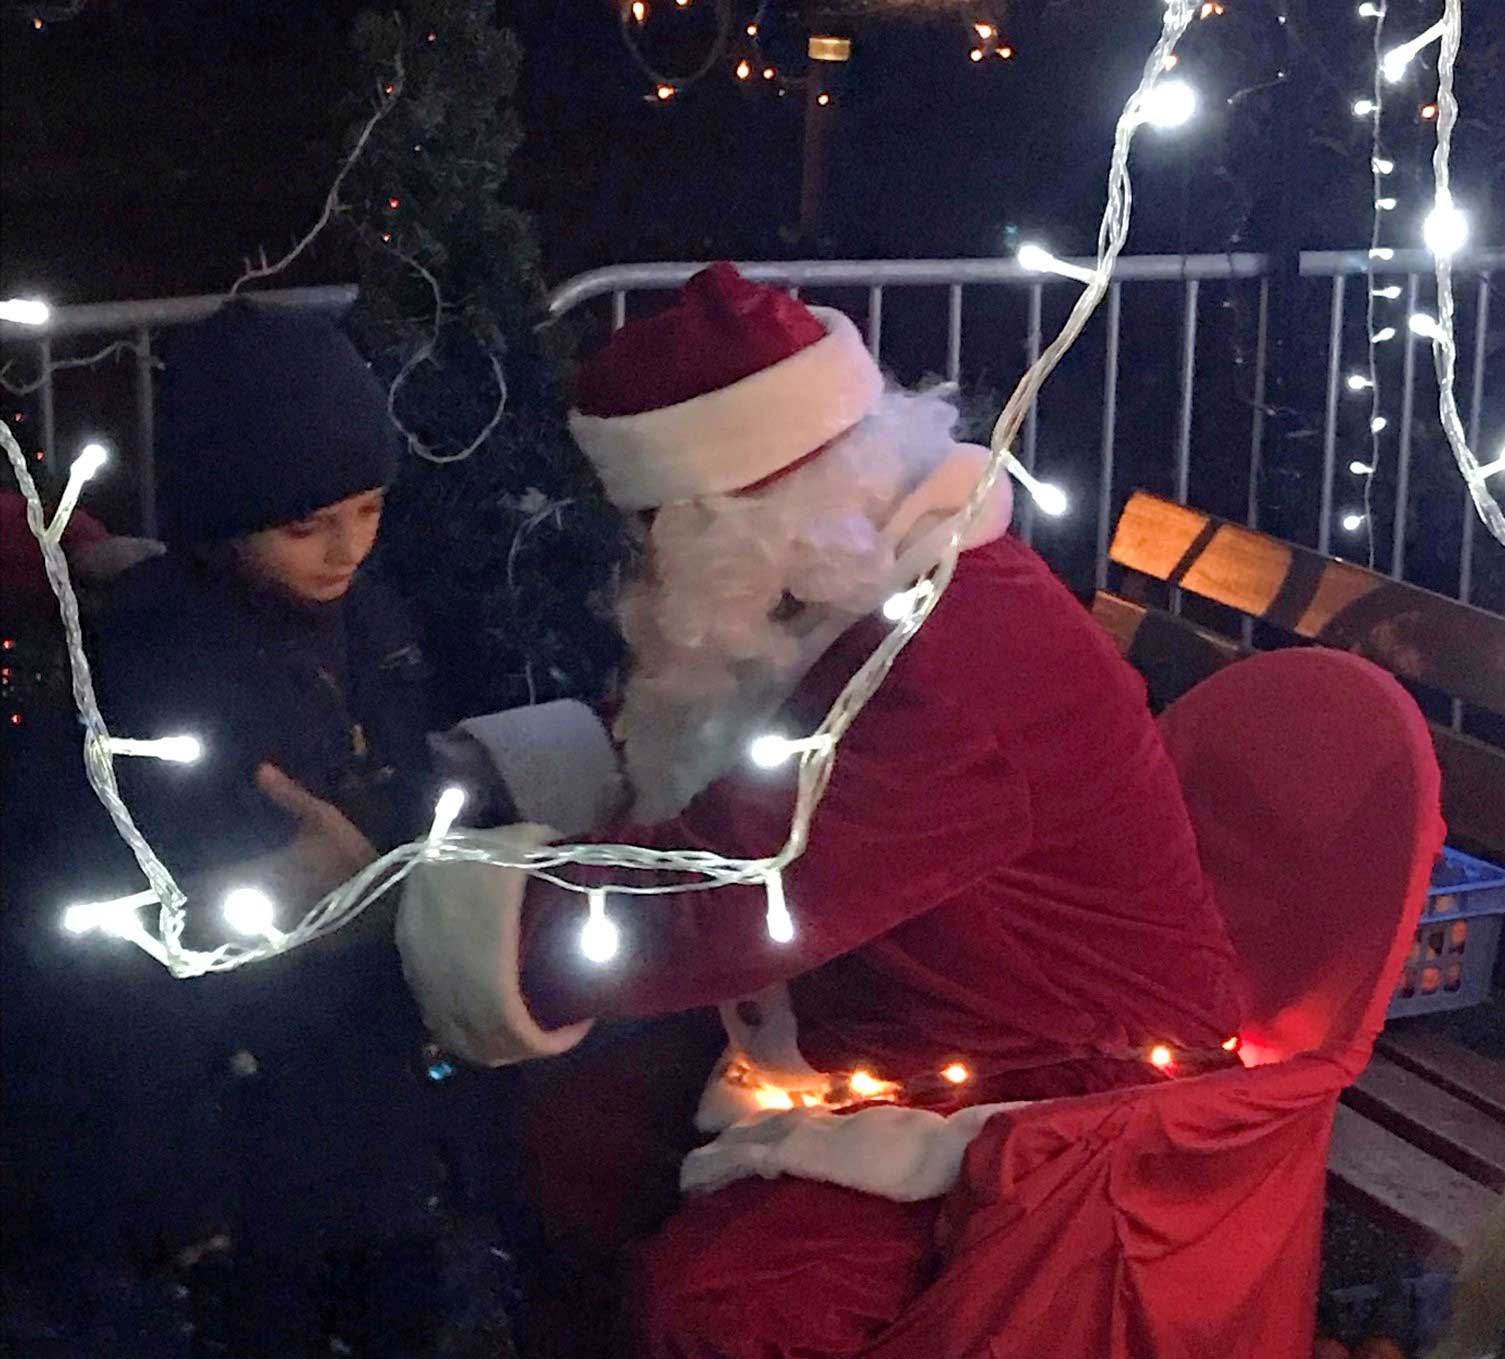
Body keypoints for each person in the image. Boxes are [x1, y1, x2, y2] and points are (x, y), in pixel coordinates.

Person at [397, 263, 1247, 1358]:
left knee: (726, 1305)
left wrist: (412, 904)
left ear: (740, 513)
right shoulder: (844, 586)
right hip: (892, 1028)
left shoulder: (937, 662)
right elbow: (698, 756)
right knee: (577, 1136)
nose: (643, 562)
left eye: (655, 523)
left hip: (1057, 1099)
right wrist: (476, 785)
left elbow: (727, 892)